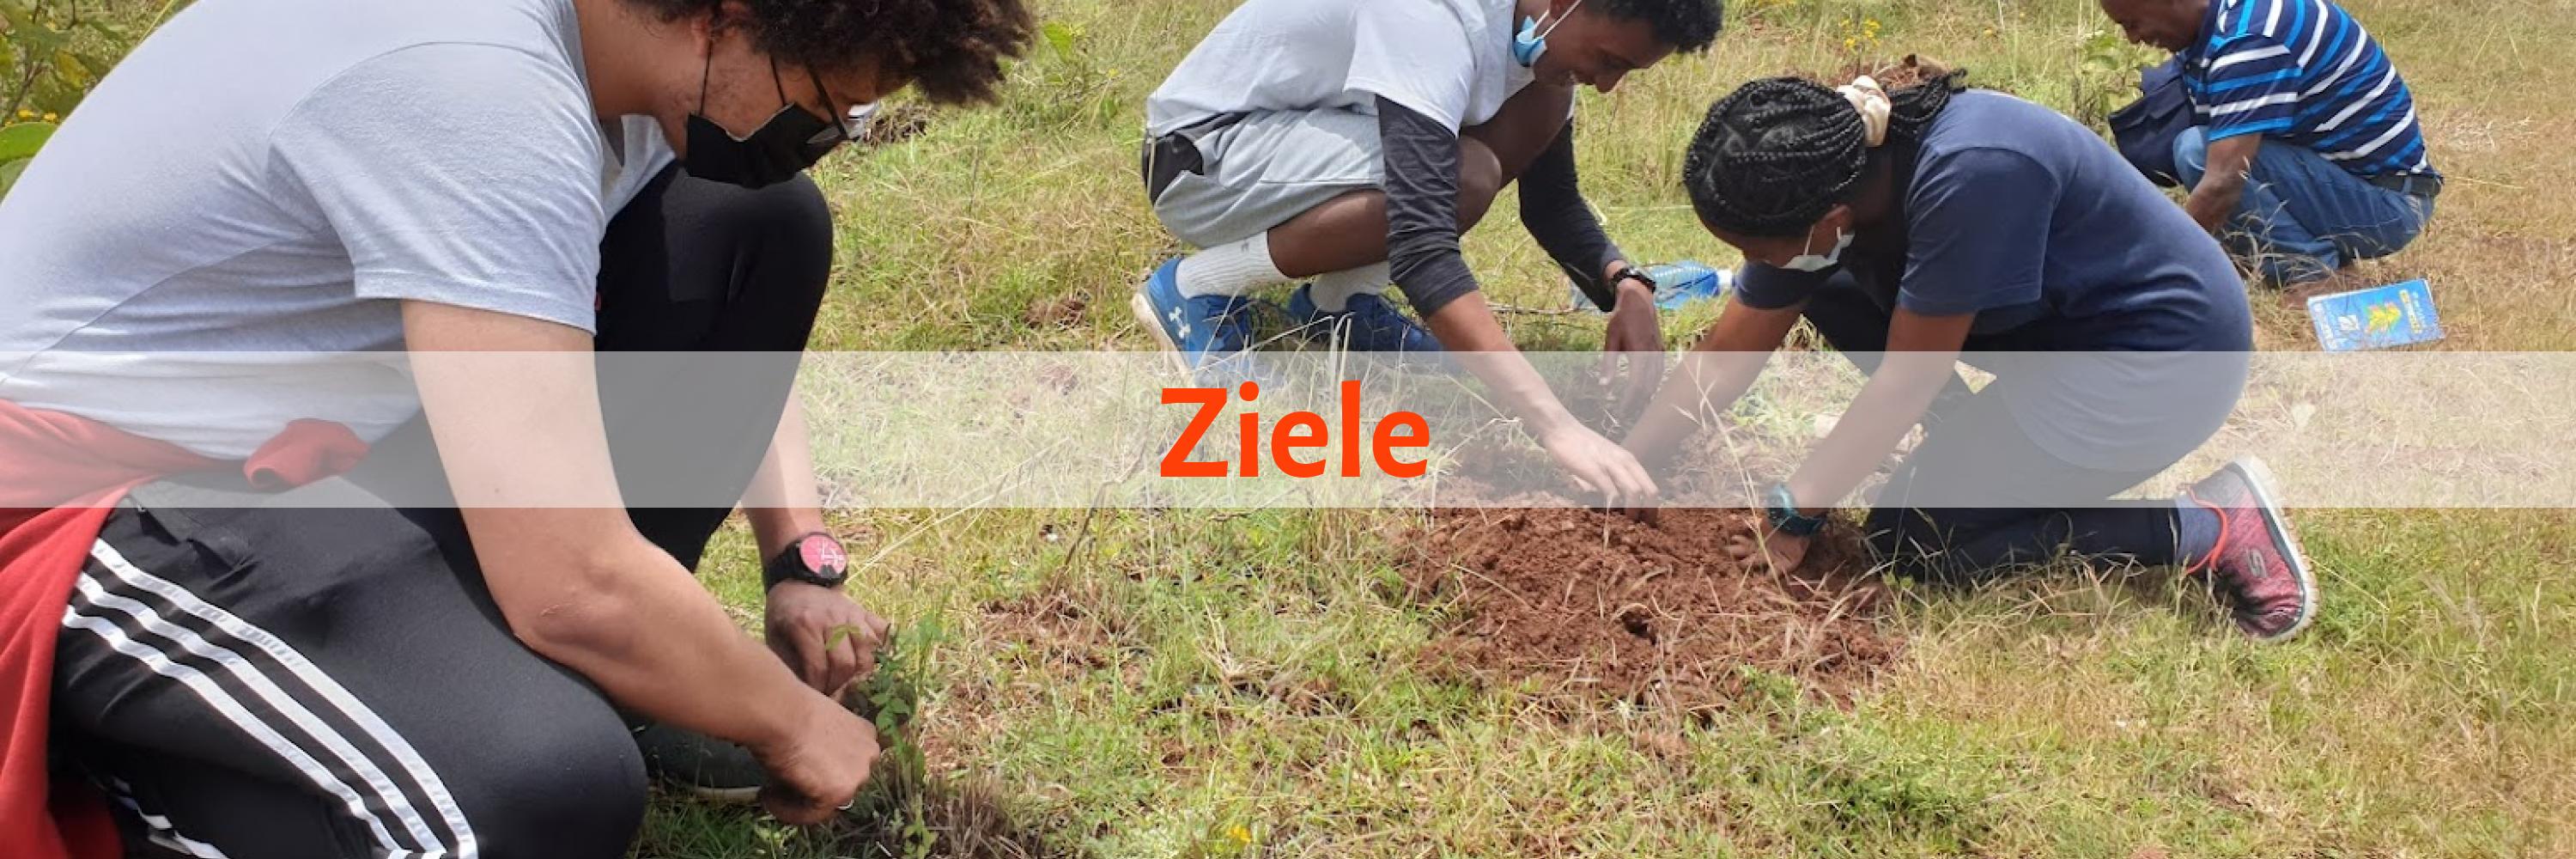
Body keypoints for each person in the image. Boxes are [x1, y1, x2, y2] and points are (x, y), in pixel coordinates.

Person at [0, 0, 1032, 855]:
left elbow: (716, 358)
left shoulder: (606, 60)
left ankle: (575, 677)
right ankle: (153, 777)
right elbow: (571, 583)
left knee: (750, 225)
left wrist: (798, 557)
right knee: (532, 788)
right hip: (84, 497)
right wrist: (793, 720)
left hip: (303, 444)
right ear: (724, 16)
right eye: (823, 107)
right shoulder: (476, 89)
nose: (829, 138)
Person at [1622, 71, 2322, 642]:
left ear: (1829, 221)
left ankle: (2207, 525)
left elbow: (1904, 381)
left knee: (1913, 541)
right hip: (2061, 339)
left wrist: (1795, 514)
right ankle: (1972, 443)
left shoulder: (1973, 174)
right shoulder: (1827, 174)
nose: (1751, 265)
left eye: (1756, 250)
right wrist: (1629, 464)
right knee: (1824, 286)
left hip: (2157, 363)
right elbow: (1728, 352)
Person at [1133, 0, 1726, 508]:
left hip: (1297, 142)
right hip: (1203, 160)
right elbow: (1421, 244)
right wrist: (1556, 426)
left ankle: (1336, 305)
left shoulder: (1541, 52)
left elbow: (1553, 205)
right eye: (1608, 60)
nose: (1606, 84)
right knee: (1461, 177)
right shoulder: (1437, 16)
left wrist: (1625, 282)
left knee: (1480, 157)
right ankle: (1193, 287)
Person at [2100, 0, 2439, 286]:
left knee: (2198, 153)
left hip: (2389, 206)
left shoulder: (2249, 39)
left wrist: (2152, 270)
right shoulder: (2222, 20)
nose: (2133, 39)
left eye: (2133, 23)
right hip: (2347, 180)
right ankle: (2316, 261)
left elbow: (2222, 183)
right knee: (2193, 150)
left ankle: (2311, 275)